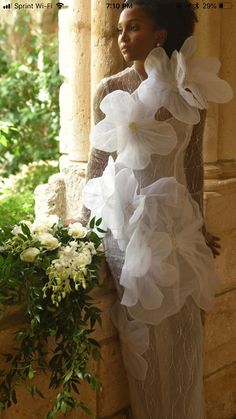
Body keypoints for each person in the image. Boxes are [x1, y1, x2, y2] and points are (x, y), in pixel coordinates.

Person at [67, 1, 233, 417]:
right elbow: (97, 162)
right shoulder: (111, 87)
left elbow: (192, 166)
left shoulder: (191, 88)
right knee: (145, 344)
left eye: (133, 28)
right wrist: (83, 228)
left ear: (160, 34)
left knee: (184, 339)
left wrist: (199, 227)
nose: (122, 38)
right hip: (129, 234)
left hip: (178, 229)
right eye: (120, 30)